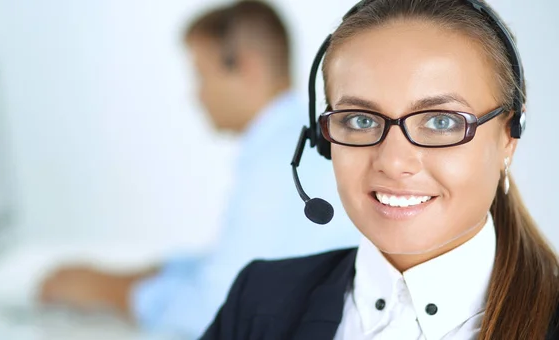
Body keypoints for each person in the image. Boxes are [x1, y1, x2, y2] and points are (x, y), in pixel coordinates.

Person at [201, 0, 559, 339]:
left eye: (440, 121)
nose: (393, 162)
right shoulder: (260, 302)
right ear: (322, 140)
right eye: (360, 119)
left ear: (509, 137)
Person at [37, 1, 359, 338]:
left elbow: (217, 307)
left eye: (201, 74)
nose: (196, 95)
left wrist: (108, 292)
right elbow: (233, 266)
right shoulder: (291, 138)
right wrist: (148, 275)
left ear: (246, 68)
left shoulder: (277, 164)